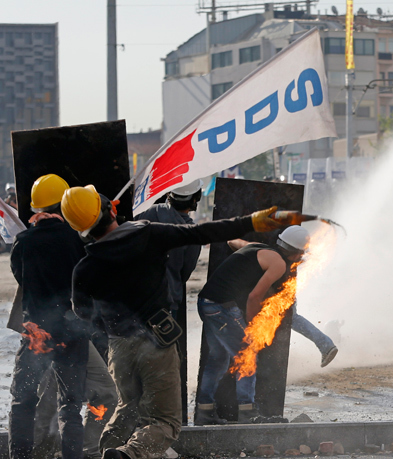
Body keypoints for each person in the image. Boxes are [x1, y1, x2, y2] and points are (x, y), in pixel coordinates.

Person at [63, 183, 285, 459]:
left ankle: (106, 451)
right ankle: (126, 455)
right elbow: (200, 232)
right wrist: (249, 221)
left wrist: (112, 325)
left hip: (119, 347)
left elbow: (82, 312)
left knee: (127, 407)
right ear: (111, 210)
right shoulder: (147, 234)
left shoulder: (85, 267)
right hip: (156, 342)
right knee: (166, 422)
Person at [194, 226, 310, 426]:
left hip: (206, 303)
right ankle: (247, 412)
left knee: (218, 358)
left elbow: (233, 242)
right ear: (295, 252)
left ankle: (204, 412)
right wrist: (252, 327)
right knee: (247, 354)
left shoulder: (256, 247)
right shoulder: (279, 264)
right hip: (222, 308)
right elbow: (254, 296)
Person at [9, 174, 89, 459]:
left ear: (36, 208)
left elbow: (21, 278)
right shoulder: (77, 241)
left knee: (23, 401)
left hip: (35, 332)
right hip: (72, 332)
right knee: (70, 406)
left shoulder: (22, 243)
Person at [227, 239, 338, 368]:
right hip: (279, 294)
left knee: (290, 319)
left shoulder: (279, 258)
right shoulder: (284, 257)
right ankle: (325, 344)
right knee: (289, 320)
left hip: (280, 296)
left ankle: (325, 344)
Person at [135, 179, 204, 320]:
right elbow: (184, 273)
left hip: (135, 296)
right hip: (165, 302)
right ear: (196, 198)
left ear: (169, 194)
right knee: (162, 340)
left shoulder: (146, 213)